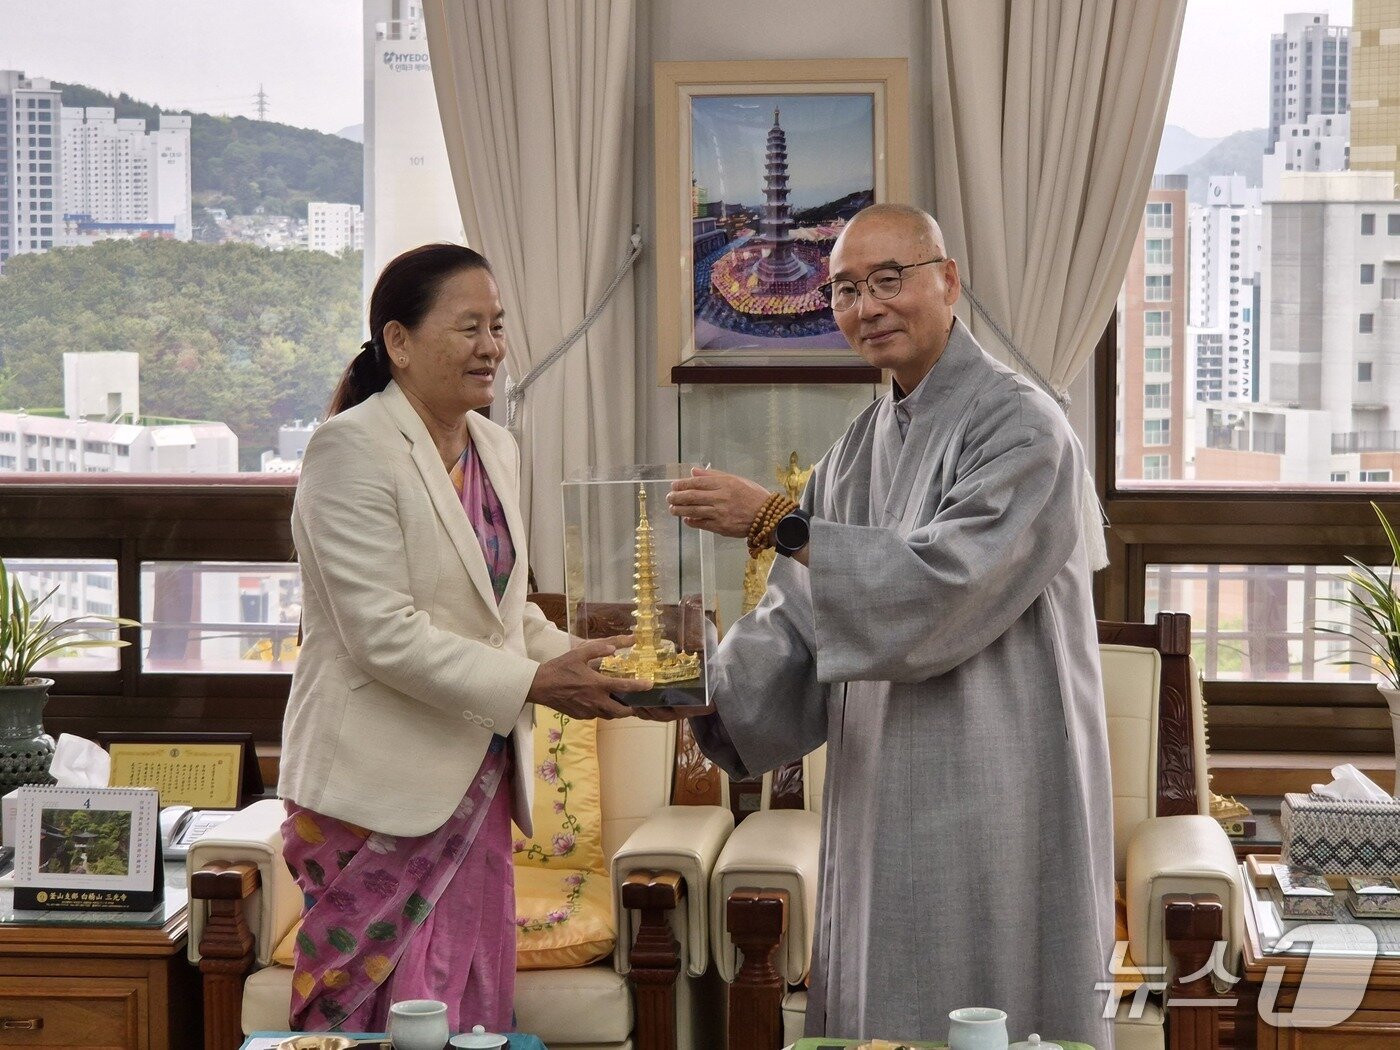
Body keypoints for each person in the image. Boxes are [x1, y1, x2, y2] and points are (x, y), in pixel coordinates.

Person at [666, 204, 1115, 1047]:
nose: (865, 306)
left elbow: (946, 587)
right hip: (882, 785)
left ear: (947, 281)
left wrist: (776, 522)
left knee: (1001, 986)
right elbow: (799, 612)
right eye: (842, 290)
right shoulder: (861, 444)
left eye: (887, 280)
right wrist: (701, 690)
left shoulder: (1022, 423)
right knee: (886, 993)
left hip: (1002, 769)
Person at [280, 243, 649, 1033]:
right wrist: (531, 685)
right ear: (400, 342)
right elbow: (380, 634)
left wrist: (580, 662)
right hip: (374, 791)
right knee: (371, 1019)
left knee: (467, 1002)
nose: (491, 346)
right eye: (469, 326)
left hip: (472, 784)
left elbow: (504, 614)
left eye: (499, 326)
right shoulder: (348, 450)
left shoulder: (497, 447)